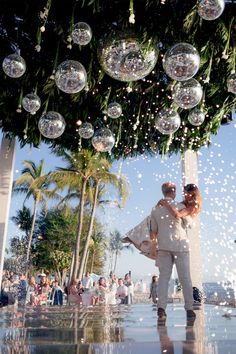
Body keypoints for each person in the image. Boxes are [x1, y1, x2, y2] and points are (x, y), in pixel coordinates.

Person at [150, 182, 201, 321]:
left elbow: (153, 232)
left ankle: (161, 309)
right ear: (173, 192)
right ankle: (189, 309)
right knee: (185, 278)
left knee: (164, 279)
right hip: (180, 246)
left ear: (163, 192)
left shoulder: (155, 210)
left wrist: (153, 249)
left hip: (163, 247)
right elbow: (190, 225)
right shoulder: (181, 207)